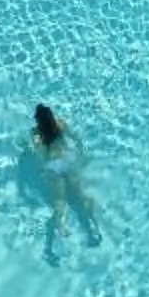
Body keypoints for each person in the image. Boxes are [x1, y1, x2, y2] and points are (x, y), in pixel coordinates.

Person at [30, 103, 99, 248]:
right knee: (80, 195)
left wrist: (42, 171)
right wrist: (82, 154)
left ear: (38, 120)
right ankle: (93, 225)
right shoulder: (59, 124)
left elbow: (40, 155)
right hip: (67, 160)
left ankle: (60, 227)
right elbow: (77, 138)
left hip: (53, 167)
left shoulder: (36, 134)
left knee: (59, 200)